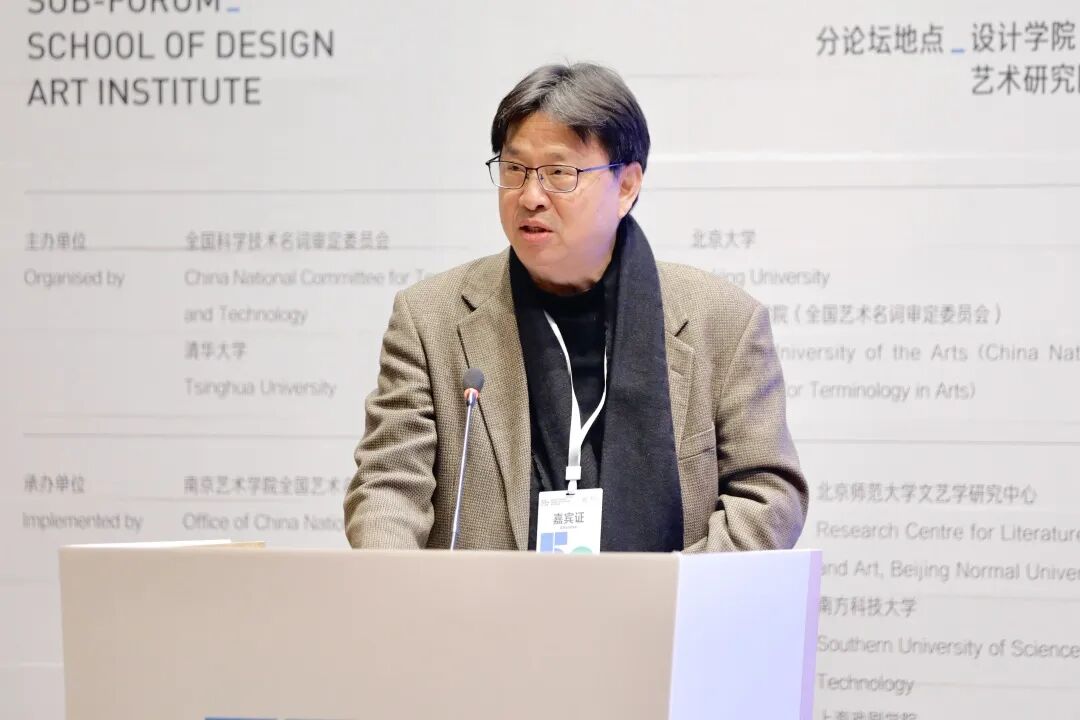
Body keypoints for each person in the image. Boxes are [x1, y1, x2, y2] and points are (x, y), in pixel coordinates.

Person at [344, 62, 807, 552]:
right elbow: (388, 488)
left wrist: (667, 586)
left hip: (660, 600)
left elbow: (767, 494)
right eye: (514, 170)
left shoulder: (724, 321)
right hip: (482, 601)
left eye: (559, 173)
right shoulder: (429, 318)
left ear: (626, 186)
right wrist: (397, 580)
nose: (531, 197)